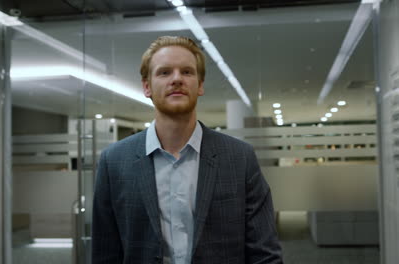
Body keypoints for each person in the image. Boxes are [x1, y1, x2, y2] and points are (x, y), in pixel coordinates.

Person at [91, 36, 283, 264]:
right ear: (146, 86)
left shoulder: (239, 158)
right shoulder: (114, 162)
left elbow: (264, 253)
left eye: (187, 72)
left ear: (200, 85)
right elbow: (105, 254)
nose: (176, 79)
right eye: (164, 72)